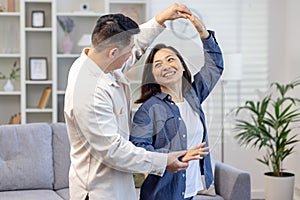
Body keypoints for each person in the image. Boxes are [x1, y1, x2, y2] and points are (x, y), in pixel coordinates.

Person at [64, 3, 203, 200]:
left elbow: (134, 44)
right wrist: (163, 161)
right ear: (112, 52)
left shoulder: (98, 62)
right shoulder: (89, 92)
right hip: (99, 191)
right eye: (129, 51)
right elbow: (113, 150)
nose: (134, 55)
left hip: (117, 184)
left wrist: (161, 18)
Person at [130, 13, 224, 200]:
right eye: (157, 64)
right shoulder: (148, 109)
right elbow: (138, 150)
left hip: (190, 190)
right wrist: (175, 157)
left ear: (182, 66)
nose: (165, 66)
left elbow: (215, 66)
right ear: (153, 76)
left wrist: (202, 32)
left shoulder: (194, 95)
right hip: (163, 194)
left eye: (171, 60)